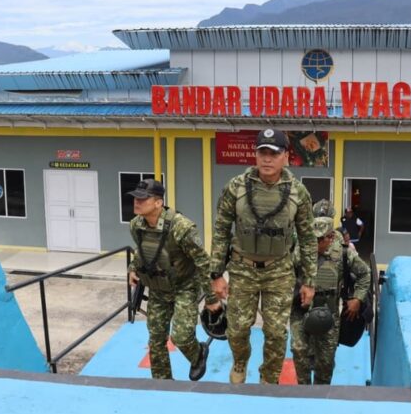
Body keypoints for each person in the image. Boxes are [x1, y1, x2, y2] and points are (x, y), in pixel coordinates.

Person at [209, 128, 317, 385]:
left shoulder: (298, 192)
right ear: (255, 155)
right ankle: (239, 362)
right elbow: (221, 231)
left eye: (274, 153)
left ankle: (269, 378)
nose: (267, 159)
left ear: (286, 156)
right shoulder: (235, 187)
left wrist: (309, 281)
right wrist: (216, 275)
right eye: (262, 153)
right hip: (242, 268)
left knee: (276, 333)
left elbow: (308, 238)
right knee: (237, 329)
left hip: (279, 270)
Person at [127, 178, 219, 381]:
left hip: (184, 287)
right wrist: (133, 268)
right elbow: (141, 250)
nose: (137, 202)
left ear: (158, 202)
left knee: (182, 337)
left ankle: (198, 354)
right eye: (135, 198)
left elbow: (203, 262)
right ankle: (163, 383)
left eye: (142, 199)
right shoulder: (136, 225)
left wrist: (211, 298)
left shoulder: (181, 227)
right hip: (158, 289)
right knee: (156, 339)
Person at [290, 216, 370, 385]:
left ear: (331, 237)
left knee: (325, 362)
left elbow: (365, 274)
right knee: (299, 349)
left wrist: (357, 298)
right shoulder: (300, 251)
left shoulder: (343, 253)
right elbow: (284, 274)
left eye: (321, 239)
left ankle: (321, 392)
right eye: (314, 239)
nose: (316, 243)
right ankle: (303, 390)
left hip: (329, 313)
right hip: (301, 310)